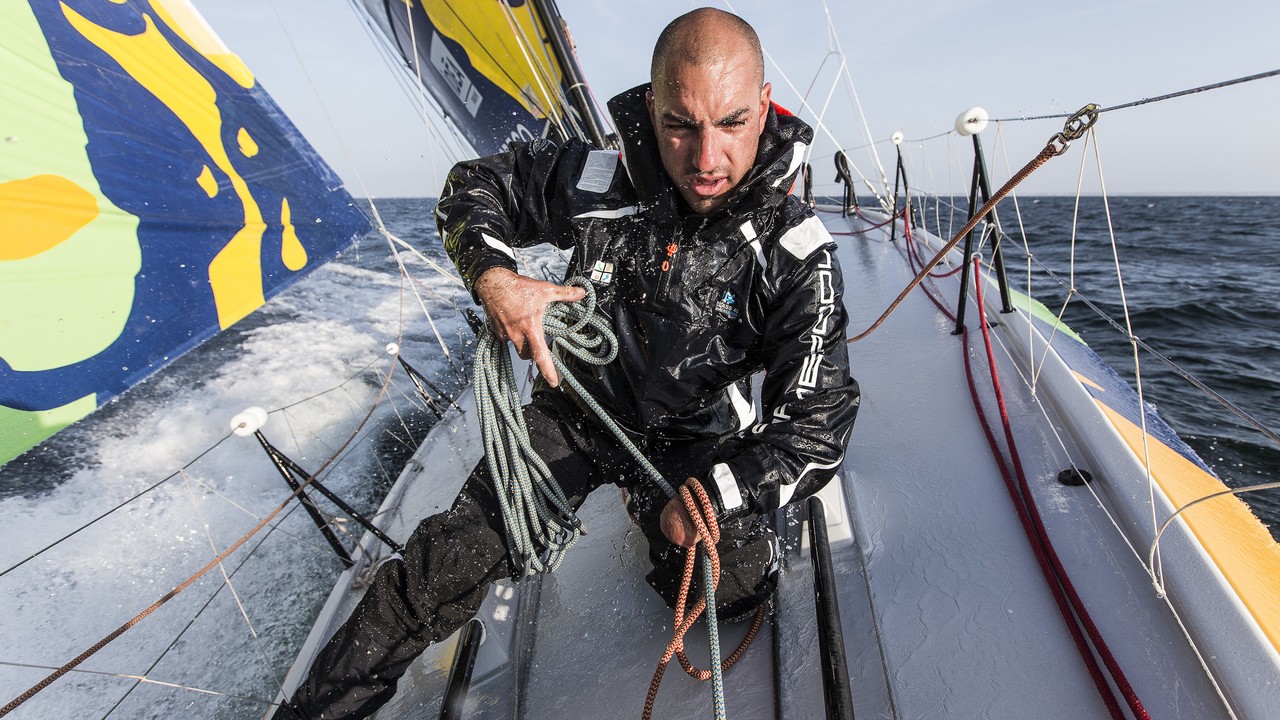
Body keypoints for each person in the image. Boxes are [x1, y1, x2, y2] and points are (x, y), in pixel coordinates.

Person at [276, 8, 858, 718]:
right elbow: (473, 187)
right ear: (652, 107)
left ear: (764, 107)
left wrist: (724, 491)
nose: (706, 159)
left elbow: (818, 421)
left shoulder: (795, 249)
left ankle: (675, 526)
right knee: (440, 570)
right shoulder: (601, 178)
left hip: (696, 441)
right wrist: (496, 279)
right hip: (576, 410)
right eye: (679, 124)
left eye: (732, 123)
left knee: (728, 586)